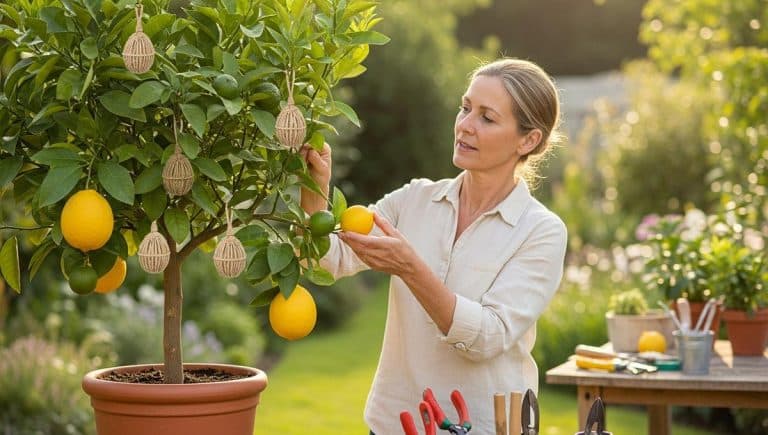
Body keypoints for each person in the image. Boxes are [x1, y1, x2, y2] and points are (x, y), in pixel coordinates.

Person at [300, 58, 568, 435]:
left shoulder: (540, 231)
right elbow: (328, 259)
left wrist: (411, 268)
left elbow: (487, 337)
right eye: (465, 107)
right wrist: (314, 189)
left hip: (486, 425)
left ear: (528, 140)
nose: (465, 125)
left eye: (487, 117)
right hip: (396, 422)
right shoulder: (415, 200)